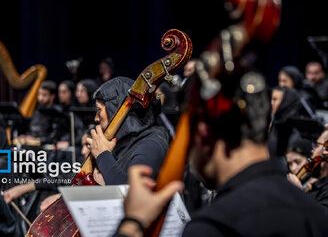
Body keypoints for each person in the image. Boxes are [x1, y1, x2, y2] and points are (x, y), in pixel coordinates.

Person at [115, 69, 328, 236]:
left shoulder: (213, 228)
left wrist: (132, 224)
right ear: (268, 124)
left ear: (204, 135)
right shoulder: (316, 216)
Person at [86, 77, 170, 185]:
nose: (96, 118)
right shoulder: (124, 143)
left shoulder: (150, 144)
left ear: (114, 109)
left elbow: (132, 192)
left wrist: (103, 155)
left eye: (99, 110)